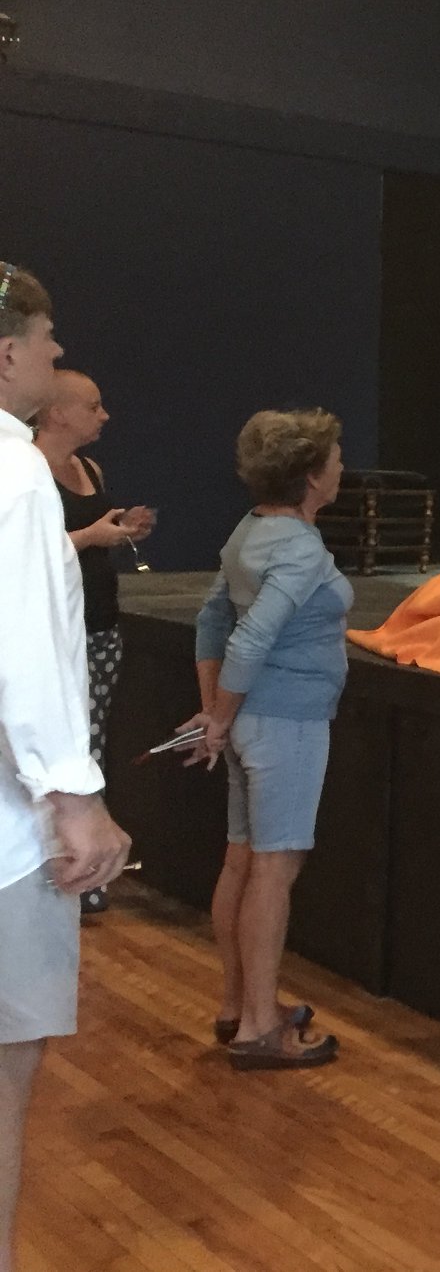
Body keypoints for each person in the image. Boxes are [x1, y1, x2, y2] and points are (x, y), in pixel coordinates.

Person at [0, 264, 131, 1272]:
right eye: (49, 341)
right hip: (8, 840)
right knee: (5, 1070)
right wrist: (75, 794)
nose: (57, 354)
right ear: (8, 354)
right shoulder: (13, 474)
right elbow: (26, 642)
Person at [182, 409, 350, 1071]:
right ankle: (259, 1027)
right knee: (273, 871)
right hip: (286, 723)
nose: (342, 467)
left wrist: (215, 712)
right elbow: (248, 637)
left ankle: (239, 1005)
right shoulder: (299, 547)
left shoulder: (251, 529)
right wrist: (218, 717)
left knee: (243, 862)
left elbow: (212, 620)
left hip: (252, 721)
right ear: (312, 476)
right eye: (335, 458)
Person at [34, 371, 155, 913]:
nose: (104, 415)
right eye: (93, 406)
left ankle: (89, 876)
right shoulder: (27, 470)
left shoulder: (89, 469)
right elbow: (28, 551)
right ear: (58, 412)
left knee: (91, 745)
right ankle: (57, 868)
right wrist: (90, 536)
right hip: (54, 635)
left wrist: (121, 528)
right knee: (59, 750)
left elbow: (86, 537)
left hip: (99, 628)